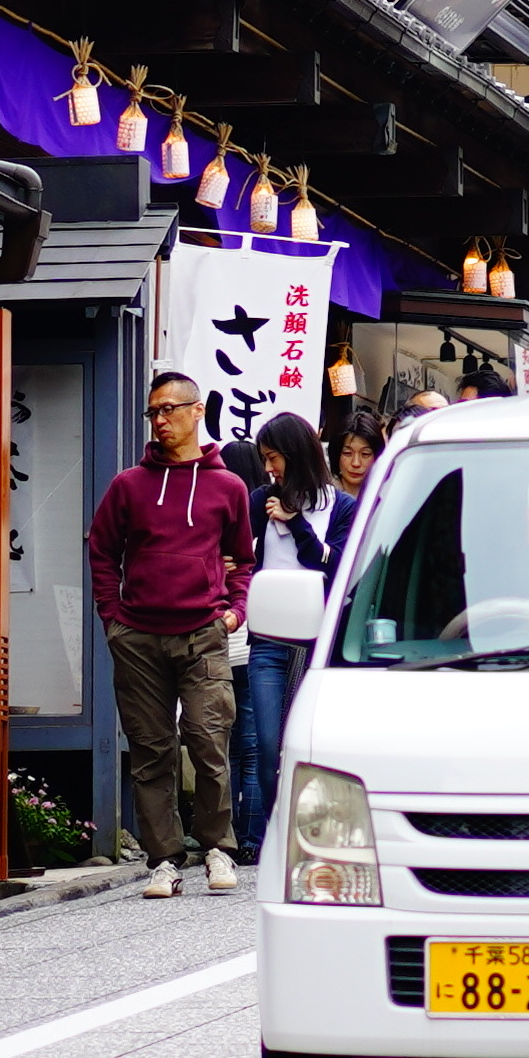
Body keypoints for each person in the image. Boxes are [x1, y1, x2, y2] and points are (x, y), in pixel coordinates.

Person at [87, 373, 256, 898]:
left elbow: (244, 560)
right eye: (153, 412)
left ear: (196, 410)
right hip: (137, 636)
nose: (160, 421)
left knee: (208, 740)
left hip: (203, 632)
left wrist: (234, 612)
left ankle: (218, 848)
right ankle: (163, 860)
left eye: (169, 409)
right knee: (150, 750)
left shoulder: (228, 487)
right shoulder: (128, 485)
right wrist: (112, 617)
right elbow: (102, 551)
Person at [231, 415, 355, 864]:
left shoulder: (341, 506)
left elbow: (336, 567)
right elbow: (240, 555)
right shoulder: (259, 500)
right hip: (266, 640)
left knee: (311, 744)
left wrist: (296, 522)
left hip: (318, 646)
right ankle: (278, 830)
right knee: (268, 744)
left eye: (273, 457)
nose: (269, 468)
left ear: (296, 454)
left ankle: (312, 833)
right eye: (264, 459)